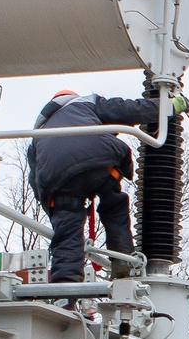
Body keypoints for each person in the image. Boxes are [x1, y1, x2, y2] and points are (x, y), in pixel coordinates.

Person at [26, 87, 180, 282]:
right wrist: (167, 107)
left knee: (67, 231)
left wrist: (57, 214)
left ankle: (66, 292)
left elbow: (36, 182)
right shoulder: (86, 102)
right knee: (114, 205)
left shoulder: (39, 133)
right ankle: (121, 257)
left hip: (59, 178)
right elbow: (129, 110)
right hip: (102, 160)